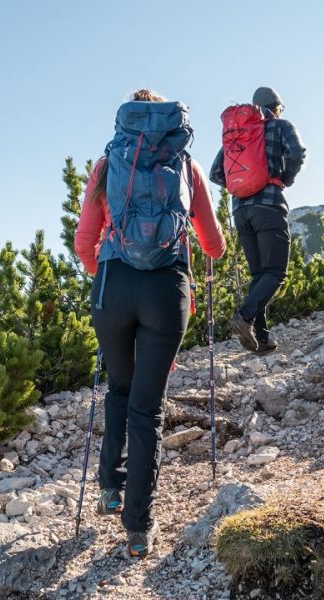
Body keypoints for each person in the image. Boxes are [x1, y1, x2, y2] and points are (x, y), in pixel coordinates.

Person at [73, 88, 226, 558]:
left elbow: (84, 243)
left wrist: (111, 275)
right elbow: (214, 243)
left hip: (114, 288)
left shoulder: (107, 165)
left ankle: (109, 489)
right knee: (148, 408)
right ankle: (138, 528)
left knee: (119, 388)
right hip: (166, 290)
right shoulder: (185, 164)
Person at [210, 86, 307, 354]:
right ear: (276, 107)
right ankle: (244, 317)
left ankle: (262, 338)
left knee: (259, 275)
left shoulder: (237, 134)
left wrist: (242, 185)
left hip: (240, 210)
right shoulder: (280, 125)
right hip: (269, 205)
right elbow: (297, 153)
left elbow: (215, 173)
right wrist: (282, 179)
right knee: (275, 272)